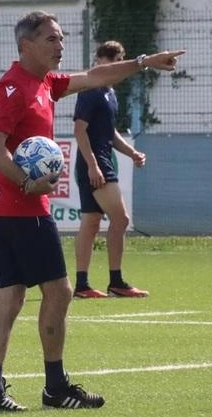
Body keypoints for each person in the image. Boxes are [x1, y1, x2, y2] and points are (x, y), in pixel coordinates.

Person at [0, 10, 184, 412]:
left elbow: (96, 76)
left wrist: (143, 62)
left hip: (4, 209)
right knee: (59, 291)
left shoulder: (45, 83)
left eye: (61, 37)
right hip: (23, 211)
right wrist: (25, 181)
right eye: (51, 39)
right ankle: (55, 388)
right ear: (26, 45)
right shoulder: (12, 88)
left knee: (11, 297)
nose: (60, 45)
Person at [72, 41, 149, 299]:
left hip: (98, 161)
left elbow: (110, 134)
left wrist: (131, 153)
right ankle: (116, 281)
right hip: (94, 163)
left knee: (92, 221)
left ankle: (82, 285)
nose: (118, 67)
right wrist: (93, 165)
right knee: (121, 219)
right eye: (115, 62)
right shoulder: (91, 89)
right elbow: (79, 129)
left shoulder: (109, 92)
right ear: (103, 60)